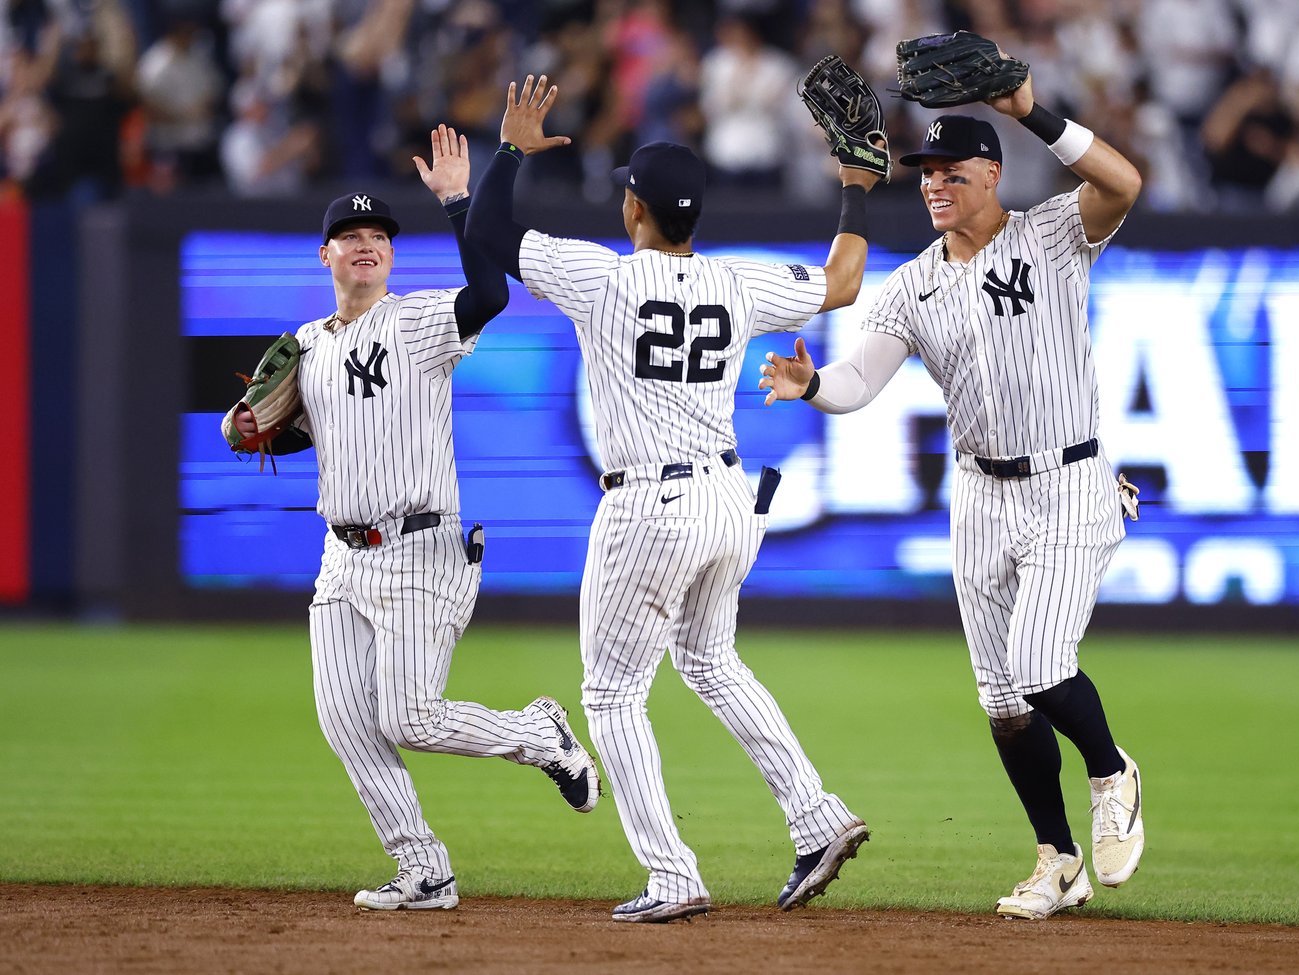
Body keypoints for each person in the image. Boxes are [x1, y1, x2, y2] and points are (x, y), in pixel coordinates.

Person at [464, 76, 878, 923]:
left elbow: (489, 231)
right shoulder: (739, 283)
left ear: (635, 210)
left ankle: (671, 872)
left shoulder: (601, 278)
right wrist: (856, 188)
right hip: (729, 501)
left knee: (613, 694)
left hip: (649, 505)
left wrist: (509, 147)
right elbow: (842, 282)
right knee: (711, 661)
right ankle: (817, 815)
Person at [760, 66, 1146, 922]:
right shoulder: (913, 283)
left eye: (951, 172)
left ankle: (1113, 769)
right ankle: (1056, 860)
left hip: (1072, 479)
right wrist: (812, 380)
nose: (934, 184)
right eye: (926, 175)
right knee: (1004, 703)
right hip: (979, 496)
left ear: (992, 174)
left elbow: (1124, 181)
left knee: (1043, 666)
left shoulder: (1050, 233)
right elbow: (859, 382)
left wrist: (1027, 110)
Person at [224, 123, 600, 912]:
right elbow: (289, 430)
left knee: (408, 713)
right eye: (349, 236)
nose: (365, 245)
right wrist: (245, 428)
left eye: (377, 236)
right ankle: (423, 867)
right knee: (347, 722)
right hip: (342, 557)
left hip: (422, 548)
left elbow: (491, 293)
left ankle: (541, 734)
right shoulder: (306, 346)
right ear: (323, 255)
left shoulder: (422, 321)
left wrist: (462, 201)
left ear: (391, 255)